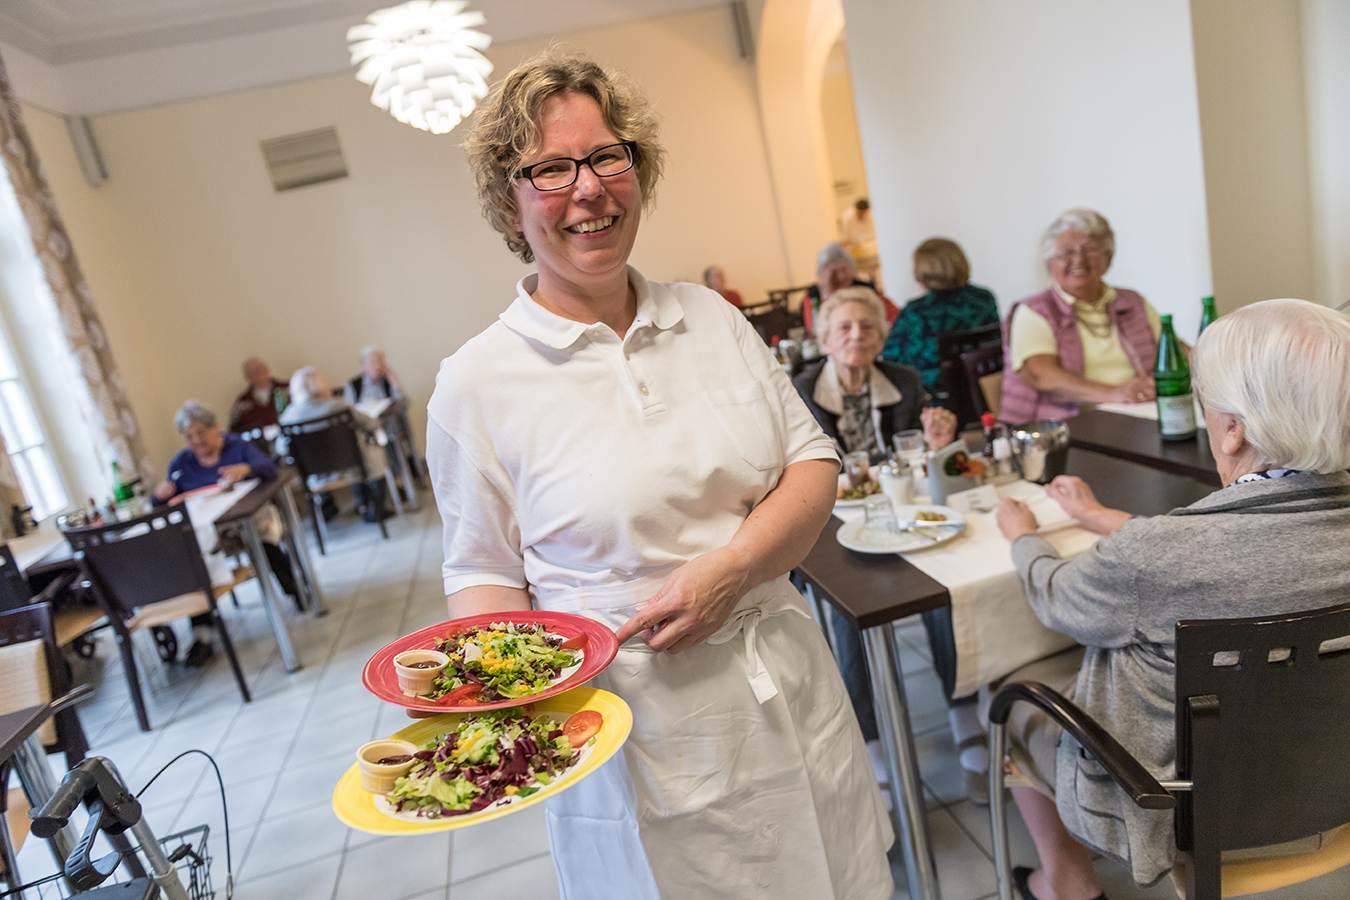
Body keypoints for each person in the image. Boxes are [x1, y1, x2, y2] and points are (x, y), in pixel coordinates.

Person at [438, 51, 893, 898]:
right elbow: (482, 571)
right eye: (551, 169)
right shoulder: (477, 382)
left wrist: (737, 565)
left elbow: (811, 462)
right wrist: (518, 710)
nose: (589, 189)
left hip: (787, 690)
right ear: (510, 199)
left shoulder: (711, 318)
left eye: (607, 156)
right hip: (632, 729)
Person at [993, 298, 1350, 898]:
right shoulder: (1164, 549)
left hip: (1186, 813)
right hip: (1331, 785)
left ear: (1233, 429)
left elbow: (1057, 599)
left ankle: (1068, 884)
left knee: (1010, 690)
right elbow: (1246, 545)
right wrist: (1106, 518)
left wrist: (1023, 537)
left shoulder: (1157, 554)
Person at [793, 287, 992, 802]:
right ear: (824, 339)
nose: (856, 336)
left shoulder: (902, 381)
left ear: (882, 337)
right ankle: (875, 747)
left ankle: (963, 715)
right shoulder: (802, 389)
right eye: (844, 328)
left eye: (867, 327)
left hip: (901, 514)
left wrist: (938, 443)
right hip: (831, 525)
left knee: (942, 591)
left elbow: (927, 461)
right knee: (849, 615)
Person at [152, 400, 301, 665]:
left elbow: (269, 468)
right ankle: (203, 634)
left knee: (263, 544)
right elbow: (162, 500)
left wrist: (248, 469)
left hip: (246, 522)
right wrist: (158, 496)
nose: (196, 440)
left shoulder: (237, 446)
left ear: (215, 428)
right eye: (189, 436)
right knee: (190, 560)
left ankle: (295, 589)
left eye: (201, 432)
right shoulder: (182, 462)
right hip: (204, 531)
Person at [1000, 208, 1163, 423]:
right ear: (1050, 262)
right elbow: (1040, 375)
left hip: (1137, 412)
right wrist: (1114, 393)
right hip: (1061, 426)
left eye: (1090, 250)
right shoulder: (1034, 310)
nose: (1079, 259)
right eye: (1066, 252)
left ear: (1108, 258)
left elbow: (1172, 348)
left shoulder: (1131, 301)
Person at [881, 238, 1000, 397]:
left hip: (936, 395)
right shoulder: (984, 298)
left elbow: (890, 358)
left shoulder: (917, 311)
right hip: (984, 386)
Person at [281, 367, 390, 522]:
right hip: (352, 468)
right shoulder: (339, 407)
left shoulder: (288, 417)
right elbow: (371, 424)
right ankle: (373, 508)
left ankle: (329, 507)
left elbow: (282, 448)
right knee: (373, 451)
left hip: (313, 477)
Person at [801, 241, 898, 338]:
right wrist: (827, 294)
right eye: (834, 272)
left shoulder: (866, 290)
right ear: (822, 276)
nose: (841, 276)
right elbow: (816, 332)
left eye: (844, 270)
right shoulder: (813, 297)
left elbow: (895, 316)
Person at [228, 356, 287, 432]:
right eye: (252, 372)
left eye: (259, 369)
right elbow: (234, 430)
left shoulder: (287, 390)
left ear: (267, 369)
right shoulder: (242, 403)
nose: (258, 375)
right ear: (247, 377)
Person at [840, 197, 880, 286]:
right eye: (859, 213)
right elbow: (846, 237)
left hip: (869, 249)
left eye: (864, 213)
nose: (861, 215)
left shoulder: (871, 216)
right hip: (854, 249)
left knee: (872, 274)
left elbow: (873, 234)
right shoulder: (847, 217)